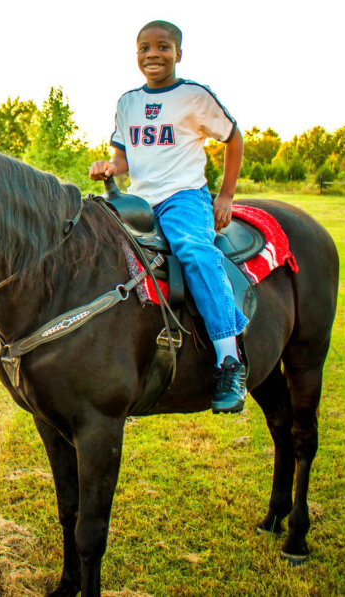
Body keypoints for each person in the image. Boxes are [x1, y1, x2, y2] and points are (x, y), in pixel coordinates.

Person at [89, 20, 249, 413]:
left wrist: (225, 194)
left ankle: (230, 361)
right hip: (138, 201)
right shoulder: (127, 103)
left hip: (184, 198)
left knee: (194, 252)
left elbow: (233, 138)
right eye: (144, 48)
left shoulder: (194, 96)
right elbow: (124, 158)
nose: (152, 55)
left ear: (179, 52)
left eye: (162, 47)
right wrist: (109, 167)